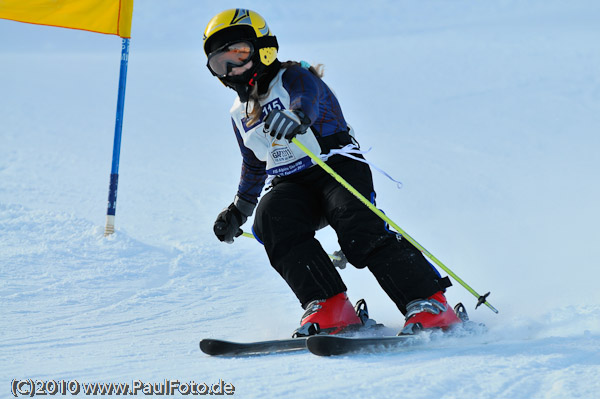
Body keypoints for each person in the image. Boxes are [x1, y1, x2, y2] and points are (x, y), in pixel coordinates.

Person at [203, 8, 461, 336]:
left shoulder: (294, 76)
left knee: (357, 225)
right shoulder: (240, 113)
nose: (232, 68)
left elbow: (306, 99)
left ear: (264, 48)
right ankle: (330, 306)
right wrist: (238, 211)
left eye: (239, 53)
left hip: (336, 166)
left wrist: (297, 116)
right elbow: (254, 163)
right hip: (291, 182)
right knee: (271, 219)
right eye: (220, 63)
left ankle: (429, 302)